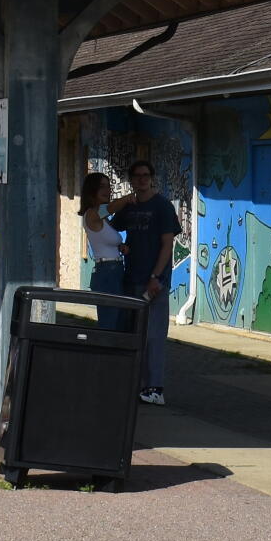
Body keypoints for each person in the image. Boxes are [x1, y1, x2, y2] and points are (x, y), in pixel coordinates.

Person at [110, 159, 183, 406]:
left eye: (145, 175)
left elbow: (167, 243)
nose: (142, 179)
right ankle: (139, 385)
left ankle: (155, 388)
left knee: (153, 335)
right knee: (135, 335)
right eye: (137, 175)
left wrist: (157, 276)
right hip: (131, 278)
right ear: (131, 180)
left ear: (152, 178)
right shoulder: (129, 208)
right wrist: (119, 244)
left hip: (153, 283)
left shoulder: (162, 207)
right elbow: (104, 224)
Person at [80, 171, 129, 324]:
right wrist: (130, 198)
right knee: (110, 321)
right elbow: (112, 207)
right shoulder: (92, 214)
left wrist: (120, 246)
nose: (107, 191)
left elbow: (104, 239)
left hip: (115, 268)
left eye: (108, 187)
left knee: (119, 319)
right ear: (91, 190)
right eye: (102, 186)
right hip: (107, 271)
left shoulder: (104, 218)